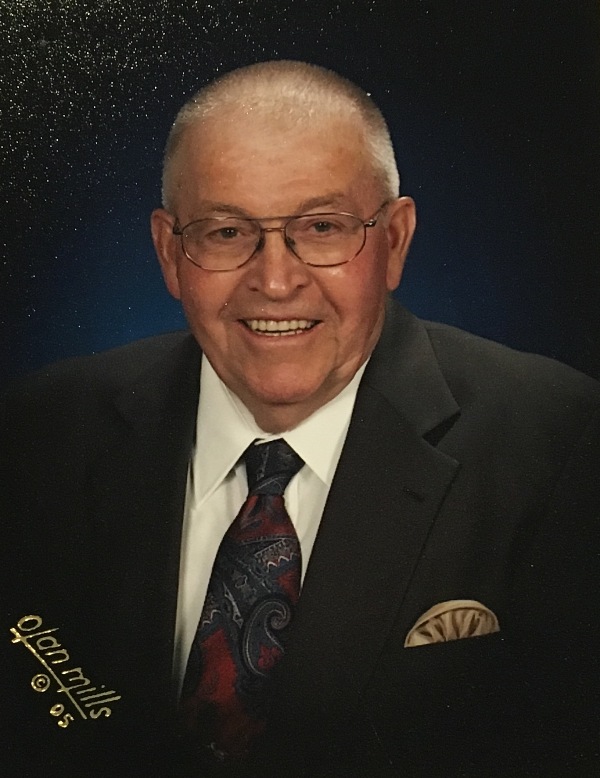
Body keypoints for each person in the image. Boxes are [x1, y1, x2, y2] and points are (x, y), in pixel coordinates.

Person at [2, 60, 599, 777]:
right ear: (170, 253)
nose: (276, 280)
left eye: (321, 227)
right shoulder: (31, 435)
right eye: (227, 231)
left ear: (395, 240)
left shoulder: (566, 445)